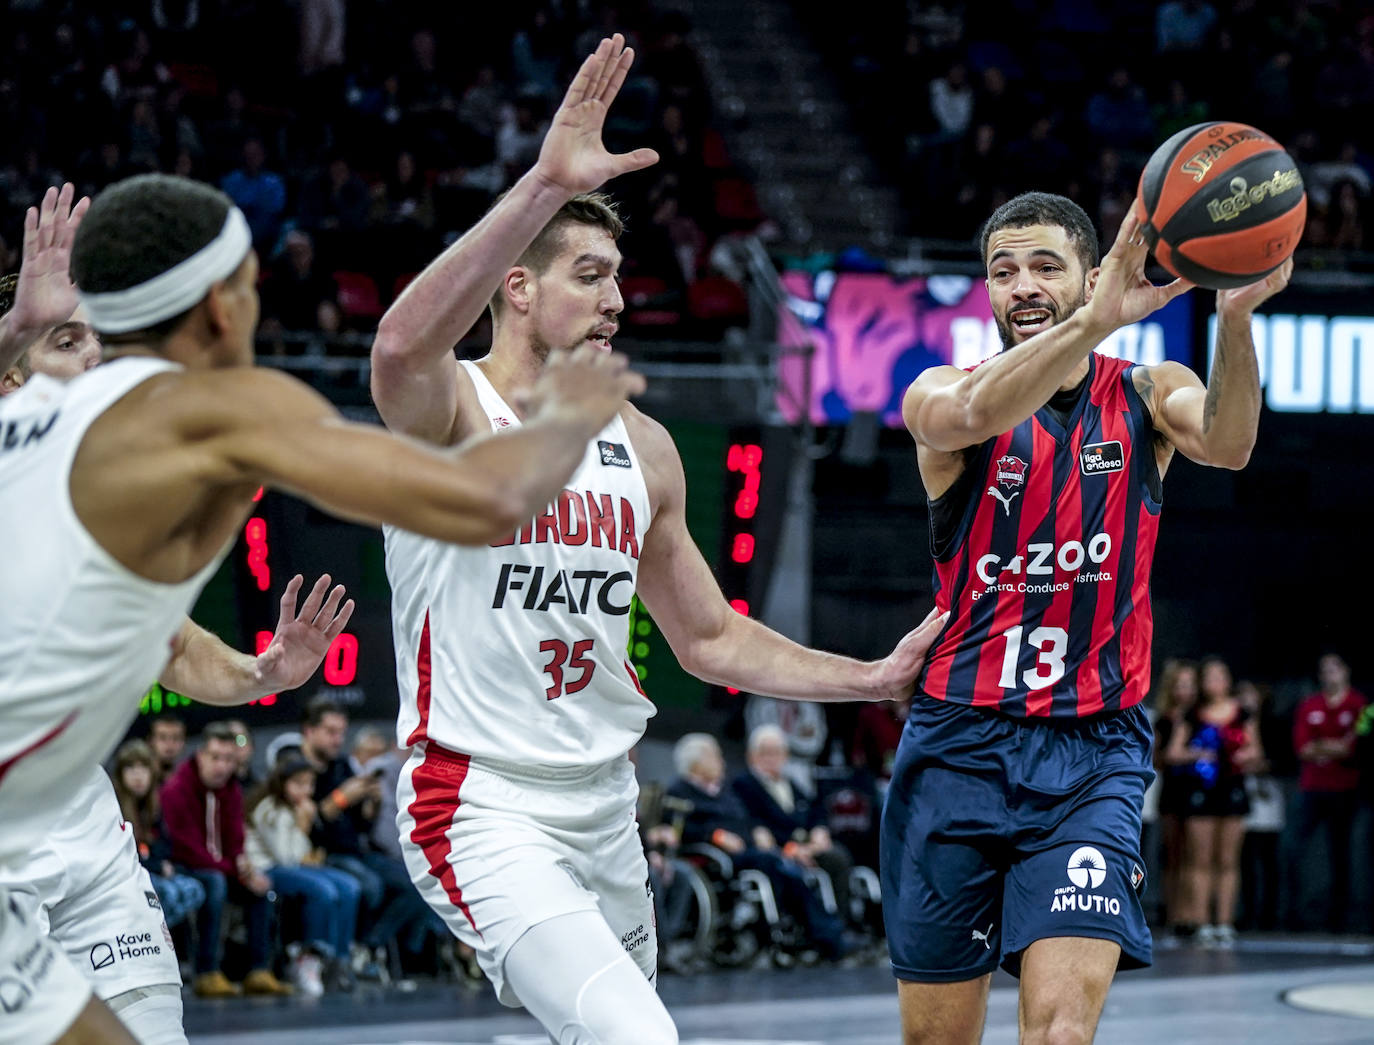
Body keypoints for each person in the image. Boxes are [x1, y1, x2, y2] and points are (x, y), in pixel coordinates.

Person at [371, 36, 945, 1044]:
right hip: (475, 796)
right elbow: (398, 343)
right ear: (515, 286)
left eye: (617, 277)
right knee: (640, 1038)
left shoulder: (644, 442)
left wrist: (867, 677)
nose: (618, 299)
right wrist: (544, 184)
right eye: (589, 275)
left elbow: (710, 638)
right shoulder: (448, 408)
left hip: (605, 800)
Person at [0, 164, 644, 1044]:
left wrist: (262, 672)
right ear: (225, 305)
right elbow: (480, 502)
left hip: (71, 835)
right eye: (251, 285)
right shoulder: (207, 413)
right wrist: (564, 423)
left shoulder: (59, 426)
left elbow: (174, 647)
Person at [889, 191, 1291, 1043]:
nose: (1022, 286)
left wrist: (1237, 317)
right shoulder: (942, 393)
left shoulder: (1148, 392)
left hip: (1092, 753)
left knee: (1063, 1031)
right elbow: (969, 416)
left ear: (1090, 276)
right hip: (958, 743)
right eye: (1003, 271)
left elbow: (1228, 444)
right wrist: (1094, 323)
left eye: (1044, 266)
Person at [665, 733, 848, 961]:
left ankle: (821, 932)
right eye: (715, 756)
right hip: (717, 857)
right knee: (774, 863)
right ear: (697, 763)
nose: (722, 761)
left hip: (748, 850)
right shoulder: (679, 791)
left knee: (785, 865)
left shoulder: (723, 791)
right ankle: (814, 934)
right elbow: (681, 829)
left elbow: (746, 821)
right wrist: (717, 835)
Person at [161, 722, 290, 997]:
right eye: (215, 758)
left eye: (229, 759)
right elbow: (188, 849)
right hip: (184, 867)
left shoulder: (231, 790)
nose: (221, 766)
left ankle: (259, 970)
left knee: (263, 888)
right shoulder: (176, 789)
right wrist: (238, 870)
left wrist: (246, 869)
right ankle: (206, 972)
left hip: (220, 867)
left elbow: (235, 841)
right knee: (215, 884)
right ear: (200, 756)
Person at [244, 756, 362, 994]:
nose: (305, 790)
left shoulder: (294, 807)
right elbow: (286, 856)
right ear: (282, 783)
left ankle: (339, 959)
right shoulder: (269, 807)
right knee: (323, 891)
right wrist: (303, 824)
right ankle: (309, 958)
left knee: (350, 886)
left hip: (293, 866)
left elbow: (302, 855)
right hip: (267, 868)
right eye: (298, 784)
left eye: (309, 784)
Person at [1164, 657, 1261, 948]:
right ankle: (1202, 921)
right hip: (1201, 790)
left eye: (1221, 676)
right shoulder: (1193, 714)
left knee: (1228, 860)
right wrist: (1199, 754)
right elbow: (1173, 753)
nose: (1216, 682)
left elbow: (1255, 750)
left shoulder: (1242, 713)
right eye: (1210, 677)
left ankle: (1225, 922)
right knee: (1199, 859)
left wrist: (1242, 756)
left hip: (1231, 788)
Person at [732, 724, 854, 925]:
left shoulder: (791, 783)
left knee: (838, 856)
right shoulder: (744, 784)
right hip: (778, 850)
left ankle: (841, 924)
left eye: (777, 752)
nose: (772, 758)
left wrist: (819, 831)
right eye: (766, 753)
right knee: (791, 869)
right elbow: (755, 825)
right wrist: (793, 849)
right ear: (752, 755)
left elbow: (815, 811)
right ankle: (821, 931)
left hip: (805, 845)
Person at [1293, 652, 1367, 933]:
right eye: (1324, 670)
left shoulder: (1359, 705)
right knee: (1296, 849)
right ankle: (1298, 914)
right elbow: (1303, 748)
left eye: (1334, 669)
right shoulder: (1309, 704)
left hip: (1345, 789)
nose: (1329, 675)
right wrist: (1334, 745)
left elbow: (1354, 747)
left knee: (1343, 852)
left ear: (1346, 671)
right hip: (1312, 787)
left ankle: (1341, 917)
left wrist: (1322, 745)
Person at [109, 739, 207, 933]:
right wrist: (157, 865)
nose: (138, 775)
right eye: (131, 768)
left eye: (143, 768)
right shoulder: (113, 806)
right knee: (167, 894)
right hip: (127, 876)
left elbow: (164, 844)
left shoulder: (152, 805)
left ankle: (160, 938)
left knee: (196, 889)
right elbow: (124, 856)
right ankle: (154, 940)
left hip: (155, 870)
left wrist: (161, 864)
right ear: (120, 774)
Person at [1151, 658, 1200, 934]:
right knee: (1171, 854)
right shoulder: (1164, 719)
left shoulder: (1201, 718)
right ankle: (1171, 913)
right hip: (1172, 790)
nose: (1187, 691)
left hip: (1198, 790)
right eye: (1181, 685)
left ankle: (1191, 913)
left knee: (1193, 855)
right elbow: (1158, 758)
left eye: (1191, 685)